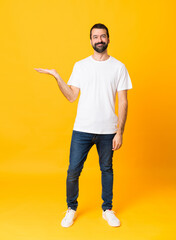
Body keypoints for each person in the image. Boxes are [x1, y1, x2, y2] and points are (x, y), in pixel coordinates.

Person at [34, 23, 132, 228]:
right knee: (73, 171)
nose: (99, 40)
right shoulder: (80, 66)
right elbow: (71, 97)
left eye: (103, 36)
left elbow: (123, 101)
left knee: (107, 169)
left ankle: (108, 209)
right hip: (82, 130)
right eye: (95, 37)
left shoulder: (119, 67)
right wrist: (57, 76)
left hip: (108, 131)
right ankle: (71, 208)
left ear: (108, 39)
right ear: (90, 40)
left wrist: (119, 131)